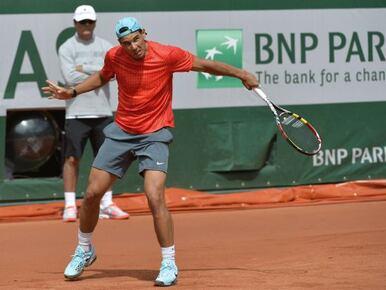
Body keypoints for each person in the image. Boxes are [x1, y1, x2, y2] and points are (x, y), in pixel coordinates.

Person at [43, 16, 258, 286]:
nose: (133, 47)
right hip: (121, 132)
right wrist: (72, 92)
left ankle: (169, 262)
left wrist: (242, 74)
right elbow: (102, 76)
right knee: (92, 194)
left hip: (154, 134)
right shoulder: (115, 56)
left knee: (154, 195)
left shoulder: (167, 54)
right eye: (126, 43)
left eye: (136, 39)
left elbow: (206, 64)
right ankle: (84, 250)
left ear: (144, 34)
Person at [58, 5, 129, 222]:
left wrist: (84, 68)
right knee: (72, 158)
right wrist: (98, 71)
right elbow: (70, 79)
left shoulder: (107, 46)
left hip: (103, 111)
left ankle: (107, 203)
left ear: (95, 23)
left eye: (90, 22)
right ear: (75, 24)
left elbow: (113, 74)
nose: (86, 26)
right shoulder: (67, 47)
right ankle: (70, 205)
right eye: (82, 22)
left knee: (107, 160)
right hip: (76, 114)